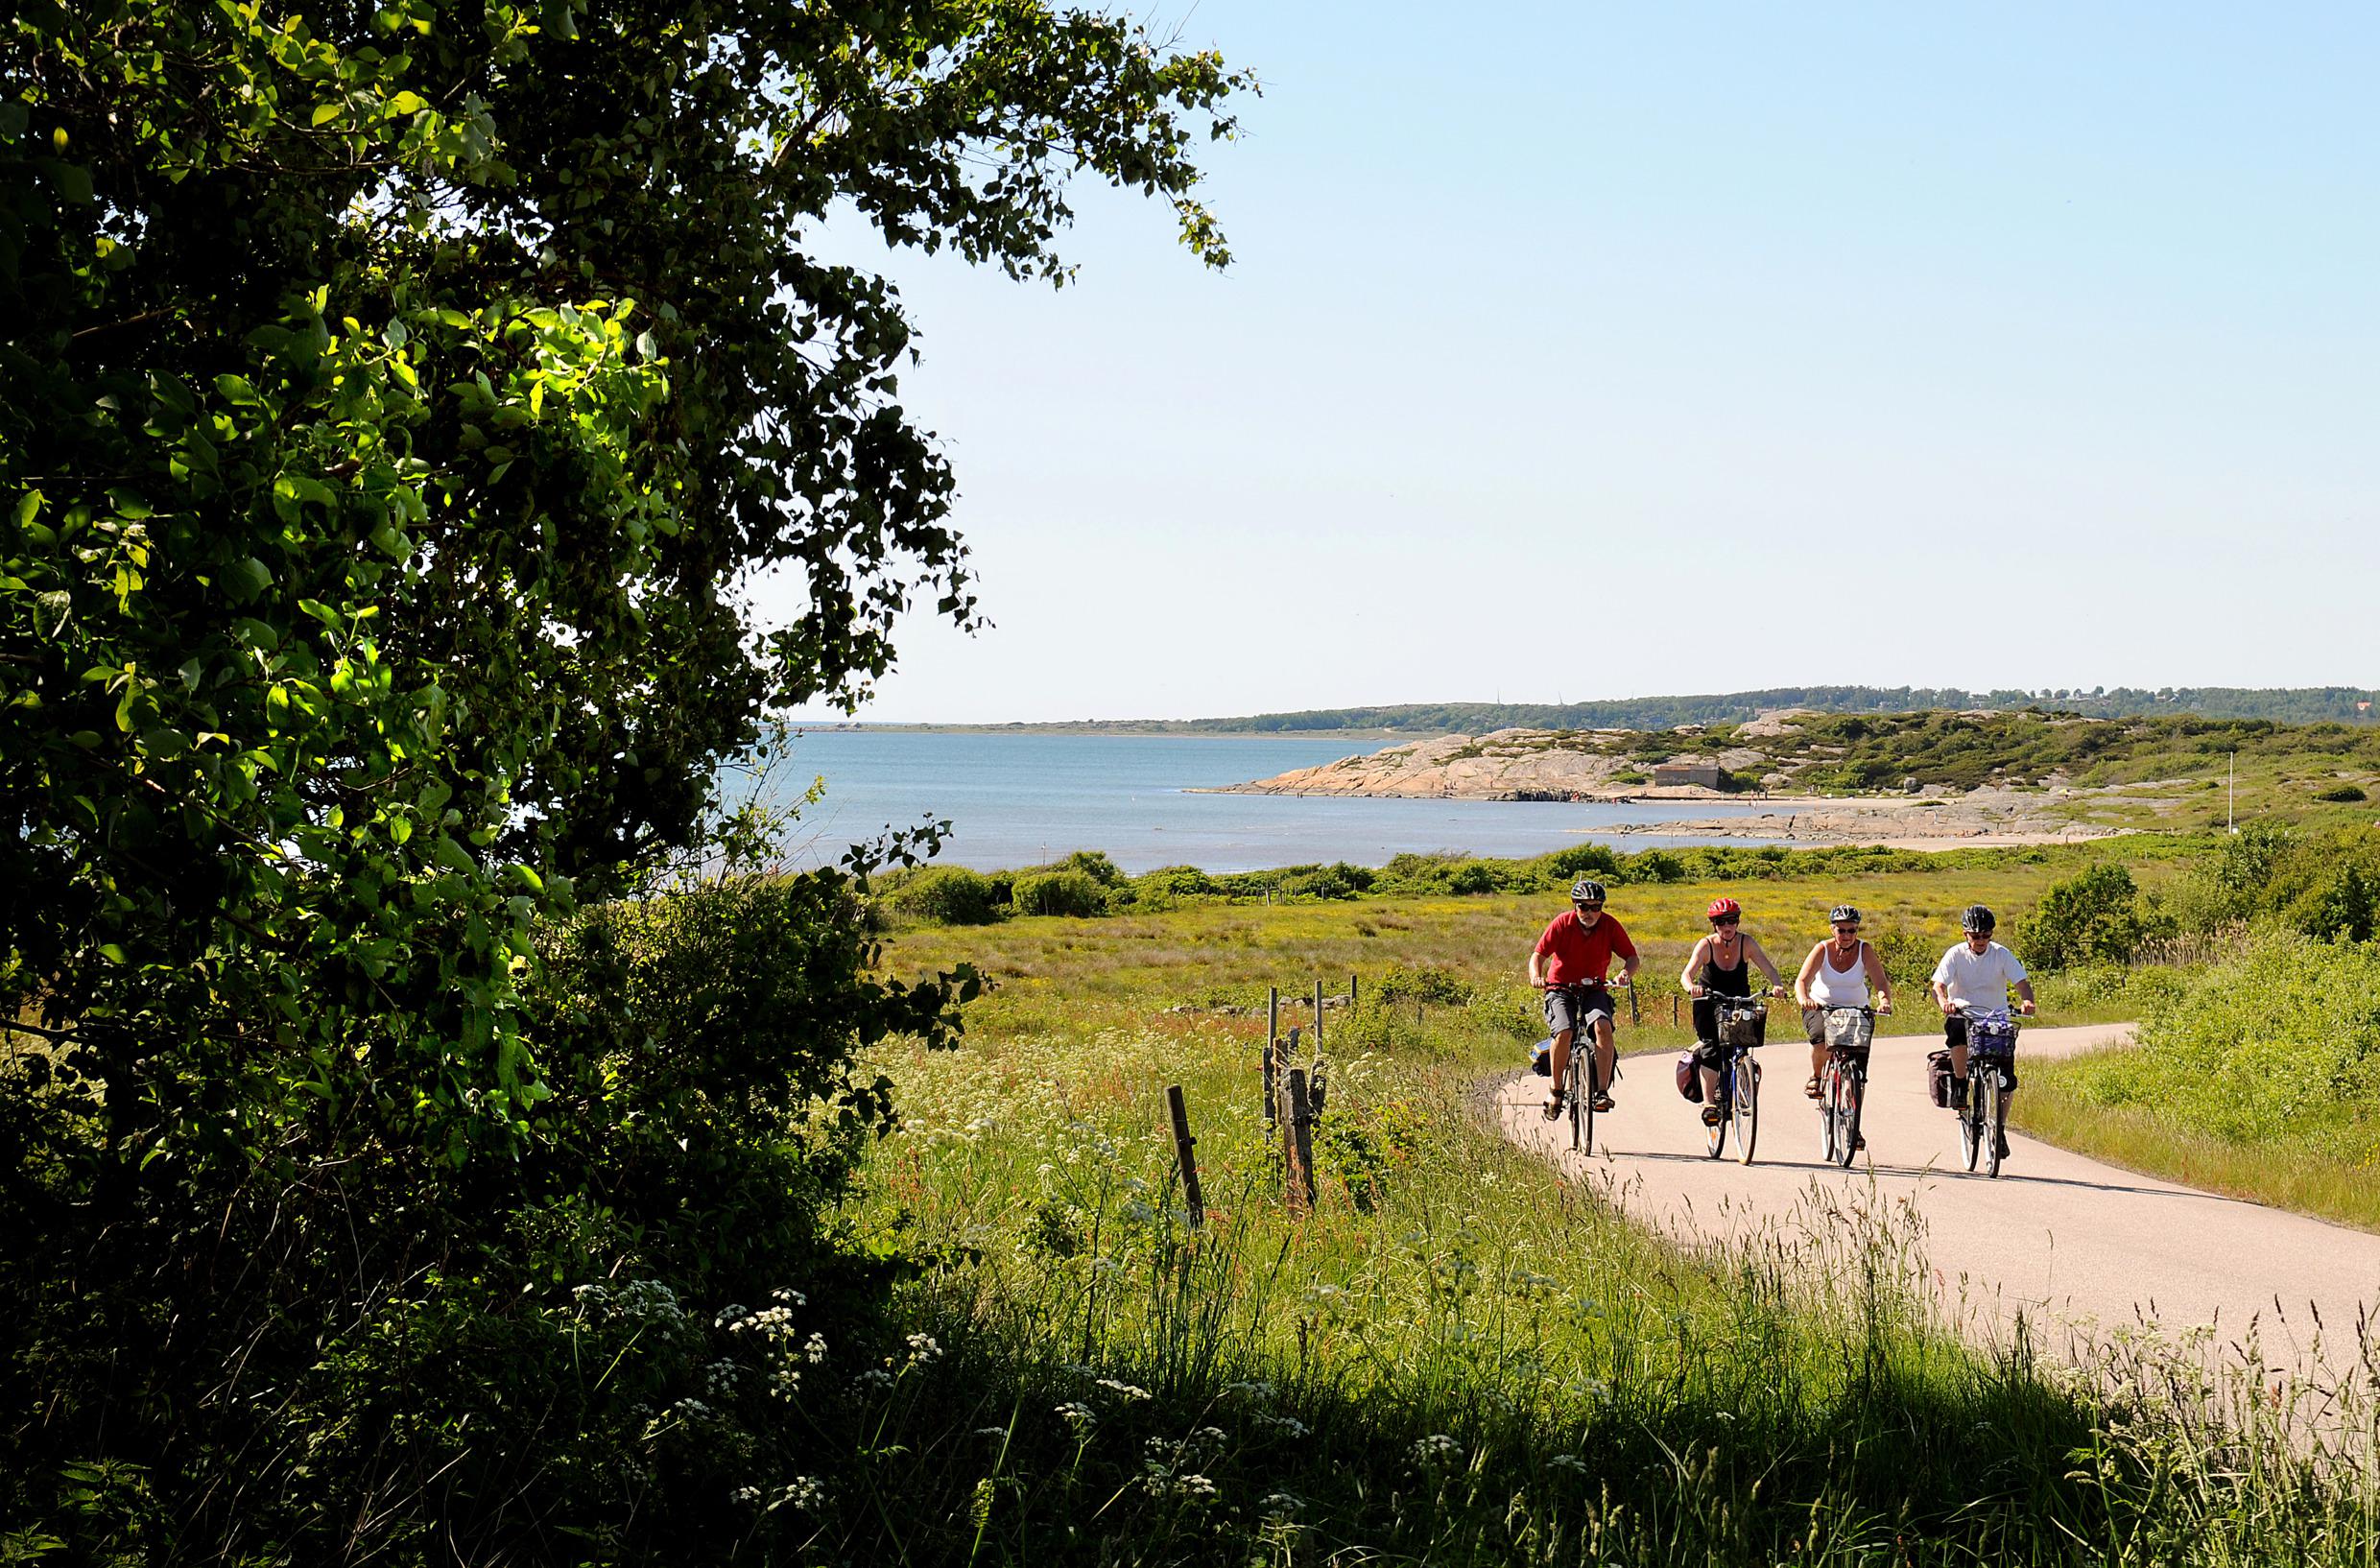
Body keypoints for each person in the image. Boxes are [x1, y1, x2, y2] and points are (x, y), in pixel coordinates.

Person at [1528, 878, 1639, 1121]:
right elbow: (1538, 955)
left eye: (1596, 907)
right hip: (1560, 988)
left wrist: (1625, 974)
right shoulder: (1562, 923)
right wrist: (1536, 976)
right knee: (1564, 1032)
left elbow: (1632, 957)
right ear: (1575, 905)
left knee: (1602, 1027)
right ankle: (1556, 1089)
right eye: (1583, 907)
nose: (1590, 913)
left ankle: (1601, 1091)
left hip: (1594, 988)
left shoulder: (1610, 925)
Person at [1932, 904, 2036, 1155]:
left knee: (2006, 1079)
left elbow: (2022, 982)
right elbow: (1938, 985)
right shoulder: (1955, 954)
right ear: (1965, 934)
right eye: (1975, 935)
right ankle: (1960, 1084)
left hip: (1995, 1017)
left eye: (1986, 935)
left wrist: (2027, 1001)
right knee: (1957, 1031)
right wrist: (1945, 1002)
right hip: (1964, 1012)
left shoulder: (2001, 954)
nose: (1981, 940)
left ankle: (1999, 1129)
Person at [1678, 896, 1790, 1126]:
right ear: (1714, 924)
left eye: (1731, 920)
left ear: (1738, 922)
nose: (1727, 926)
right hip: (1709, 1001)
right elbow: (1686, 974)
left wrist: (1777, 985)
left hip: (1739, 1000)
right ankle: (1709, 1104)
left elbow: (1769, 969)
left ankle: (1741, 1086)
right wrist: (1692, 988)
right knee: (1711, 1048)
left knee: (1742, 1045)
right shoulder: (1706, 945)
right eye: (1721, 922)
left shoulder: (1746, 943)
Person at [1794, 903, 1894, 1102]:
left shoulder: (1865, 950)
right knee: (1820, 1037)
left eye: (1852, 930)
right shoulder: (1822, 949)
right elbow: (1802, 981)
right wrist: (1805, 1000)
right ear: (1832, 929)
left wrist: (1884, 1001)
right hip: (1822, 1008)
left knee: (1859, 1066)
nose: (1847, 935)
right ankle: (1816, 1076)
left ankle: (1853, 1112)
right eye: (1841, 930)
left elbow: (1880, 981)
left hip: (1857, 1010)